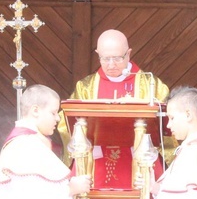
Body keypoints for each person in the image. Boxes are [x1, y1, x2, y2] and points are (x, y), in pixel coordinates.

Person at [57, 29, 171, 168]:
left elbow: (168, 125)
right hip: (96, 164)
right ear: (98, 55)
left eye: (117, 58)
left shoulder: (150, 85)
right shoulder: (86, 88)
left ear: (128, 54)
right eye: (105, 59)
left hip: (141, 164)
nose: (111, 65)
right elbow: (66, 124)